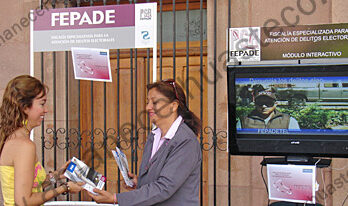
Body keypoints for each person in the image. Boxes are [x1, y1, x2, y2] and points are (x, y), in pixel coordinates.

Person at [89, 79, 202, 206]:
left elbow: (164, 187)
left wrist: (116, 198)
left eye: (155, 102)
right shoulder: (154, 136)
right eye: (147, 102)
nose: (148, 107)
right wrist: (140, 182)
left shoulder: (185, 141)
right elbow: (159, 180)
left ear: (174, 106)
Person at [0, 75, 83, 206]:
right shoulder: (24, 145)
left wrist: (57, 175)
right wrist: (64, 188)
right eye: (42, 103)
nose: (46, 110)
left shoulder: (15, 138)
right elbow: (24, 201)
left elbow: (30, 186)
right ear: (24, 107)